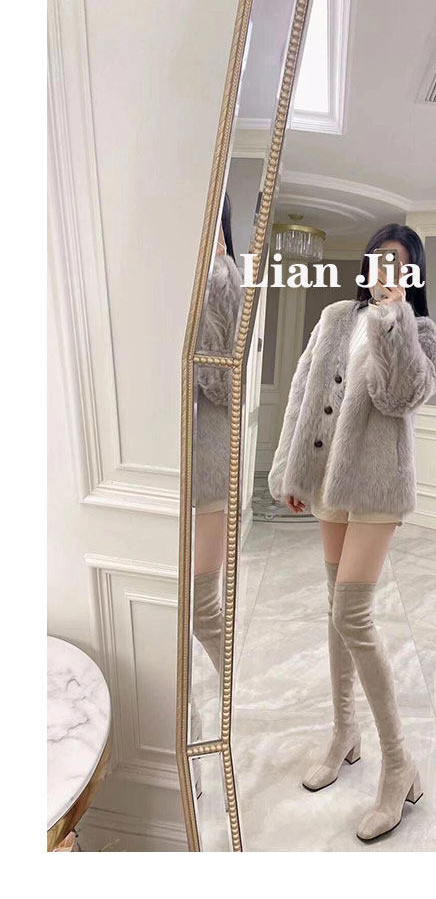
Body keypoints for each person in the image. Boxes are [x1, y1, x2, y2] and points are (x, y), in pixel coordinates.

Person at [268, 223, 436, 842]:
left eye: (398, 262)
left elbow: (398, 398)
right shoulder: (334, 318)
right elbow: (302, 393)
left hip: (376, 488)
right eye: (378, 258)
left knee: (353, 613)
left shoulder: (423, 335)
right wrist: (292, 469)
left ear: (412, 273)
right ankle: (345, 733)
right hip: (325, 480)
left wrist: (393, 319)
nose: (384, 269)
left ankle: (398, 765)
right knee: (334, 610)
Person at [191, 195, 243, 678]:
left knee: (203, 609)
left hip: (207, 464)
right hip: (150, 462)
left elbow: (224, 386)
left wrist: (217, 279)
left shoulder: (228, 285)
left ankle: (232, 694)